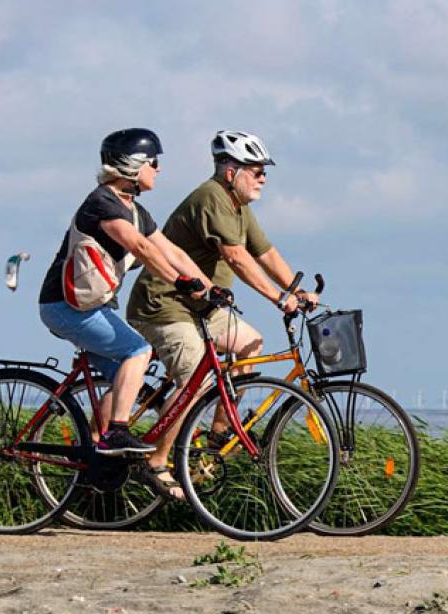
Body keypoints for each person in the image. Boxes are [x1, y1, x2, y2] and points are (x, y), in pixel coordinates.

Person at [126, 130, 318, 480]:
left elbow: (266, 253)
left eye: (265, 172)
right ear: (231, 172)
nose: (263, 178)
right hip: (165, 305)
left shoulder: (239, 207)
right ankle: (155, 463)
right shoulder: (212, 198)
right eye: (256, 170)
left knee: (251, 345)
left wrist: (296, 290)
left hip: (202, 309)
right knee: (195, 380)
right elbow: (238, 258)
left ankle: (218, 433)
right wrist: (279, 299)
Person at [36, 129, 213, 479]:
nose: (159, 170)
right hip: (65, 307)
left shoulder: (137, 211)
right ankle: (115, 432)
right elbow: (141, 249)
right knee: (137, 351)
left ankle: (97, 461)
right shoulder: (102, 202)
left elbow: (171, 251)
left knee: (129, 380)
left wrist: (209, 288)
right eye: (154, 162)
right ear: (132, 166)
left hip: (88, 308)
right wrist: (180, 283)